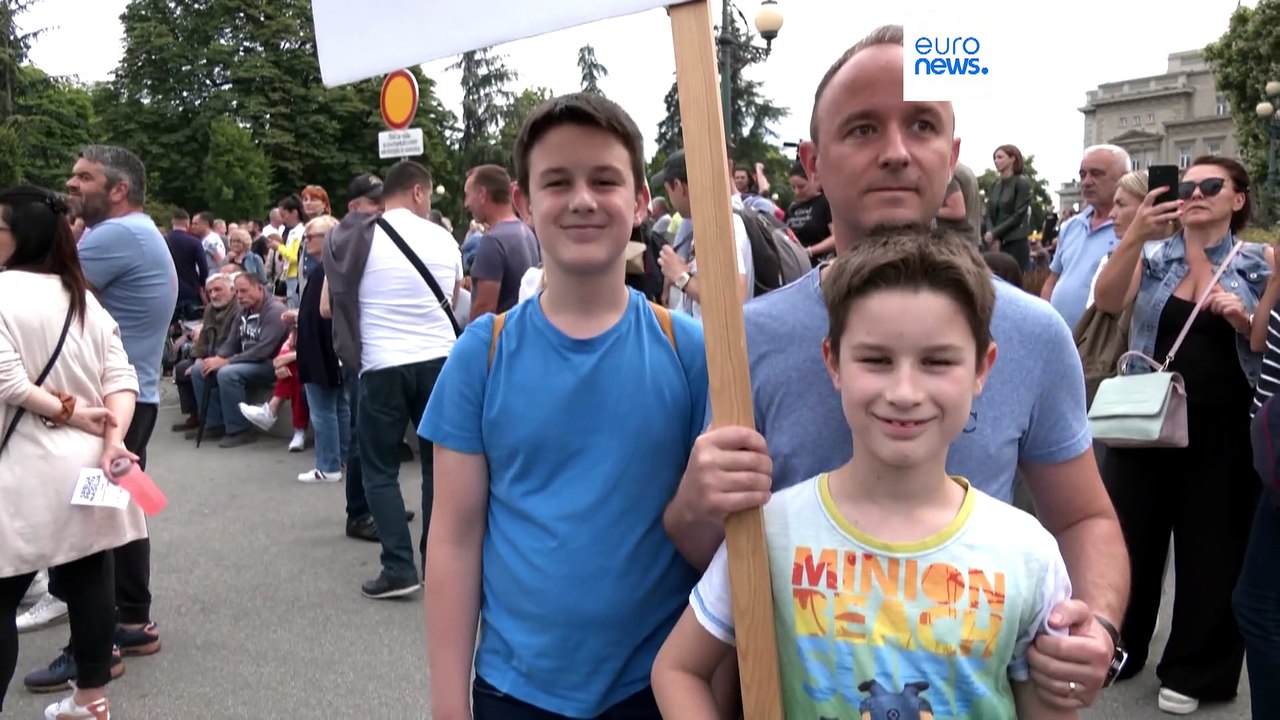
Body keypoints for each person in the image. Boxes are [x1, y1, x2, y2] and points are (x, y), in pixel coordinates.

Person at [661, 26, 1128, 713]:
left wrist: (1093, 627)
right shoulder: (742, 341)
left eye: (921, 125)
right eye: (861, 129)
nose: (897, 152)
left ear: (952, 153)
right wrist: (697, 502)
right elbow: (705, 545)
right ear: (814, 163)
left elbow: (1085, 519)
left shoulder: (1033, 334)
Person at [653, 228, 1076, 719]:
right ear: (833, 362)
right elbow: (678, 669)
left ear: (983, 368)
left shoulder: (1028, 554)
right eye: (876, 360)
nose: (903, 391)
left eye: (937, 361)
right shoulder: (770, 531)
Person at [419, 92, 708, 720]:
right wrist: (448, 701)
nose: (582, 198)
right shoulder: (484, 354)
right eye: (557, 182)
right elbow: (454, 536)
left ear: (638, 204)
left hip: (656, 685)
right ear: (524, 202)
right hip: (514, 689)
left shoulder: (688, 351)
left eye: (605, 180)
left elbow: (719, 542)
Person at [1092, 156, 1271, 714]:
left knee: (1214, 548)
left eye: (1210, 186)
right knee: (1132, 539)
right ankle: (1120, 648)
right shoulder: (1151, 254)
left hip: (1223, 427)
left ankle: (1197, 669)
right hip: (1148, 417)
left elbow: (1269, 344)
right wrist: (1136, 234)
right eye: (1187, 185)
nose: (1194, 193)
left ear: (1238, 199)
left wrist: (1244, 319)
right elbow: (1106, 300)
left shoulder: (1261, 262)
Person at [0, 186, 143, 720]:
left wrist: (66, 411)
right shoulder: (83, 297)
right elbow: (121, 378)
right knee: (87, 581)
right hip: (88, 465)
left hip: (20, 465)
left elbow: (6, 379)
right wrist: (112, 440)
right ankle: (91, 700)